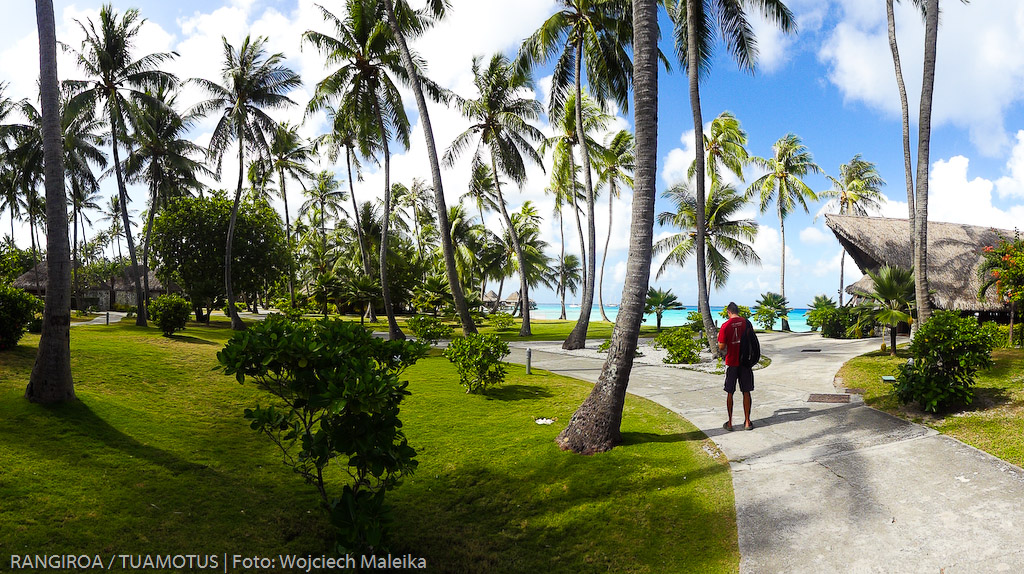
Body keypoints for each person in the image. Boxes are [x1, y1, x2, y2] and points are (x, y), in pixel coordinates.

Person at [718, 302, 754, 431]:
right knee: (746, 391)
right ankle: (747, 422)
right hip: (745, 362)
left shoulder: (725, 325)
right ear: (737, 311)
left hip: (732, 362)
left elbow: (721, 346)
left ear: (728, 312)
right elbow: (752, 340)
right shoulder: (746, 323)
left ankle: (730, 423)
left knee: (730, 392)